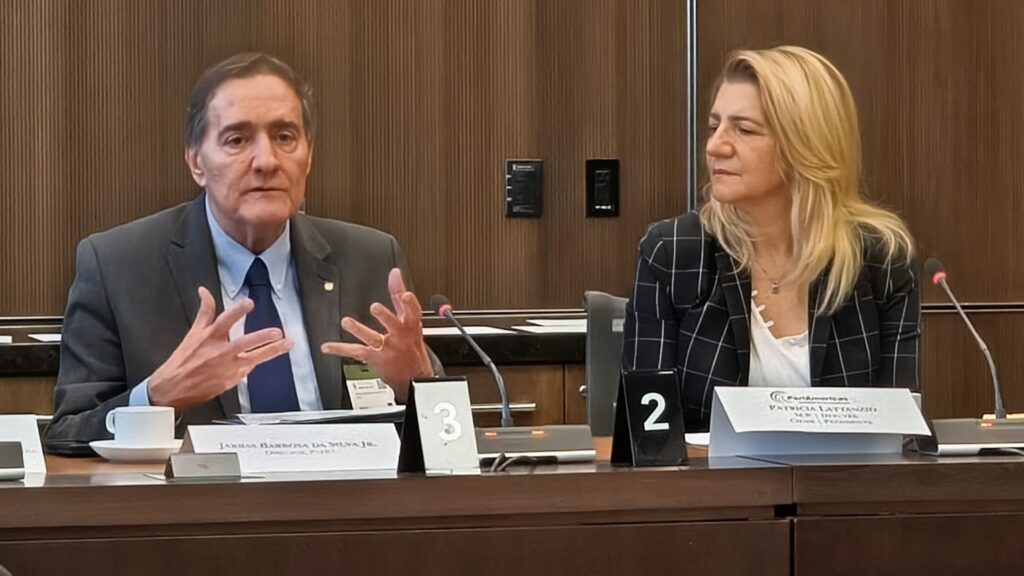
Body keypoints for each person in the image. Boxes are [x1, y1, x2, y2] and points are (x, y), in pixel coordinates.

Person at [45, 52, 438, 452]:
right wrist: (159, 396)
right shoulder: (117, 266)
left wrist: (418, 382)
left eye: (285, 137)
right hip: (192, 508)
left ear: (309, 155)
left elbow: (448, 432)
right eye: (237, 139)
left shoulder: (369, 259)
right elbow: (67, 433)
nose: (266, 161)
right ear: (197, 162)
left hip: (346, 507)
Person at [622, 46, 919, 432]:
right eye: (715, 126)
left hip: (844, 490)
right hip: (710, 490)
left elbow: (900, 433)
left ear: (806, 145)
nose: (715, 146)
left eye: (744, 130)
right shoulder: (673, 252)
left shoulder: (881, 259)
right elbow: (647, 439)